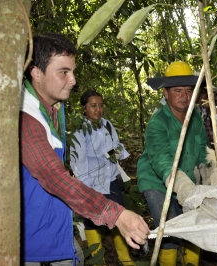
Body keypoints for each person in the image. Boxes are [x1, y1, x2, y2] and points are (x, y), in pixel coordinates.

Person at [20, 32, 149, 266]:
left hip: (58, 232)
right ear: (36, 73)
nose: (73, 80)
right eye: (63, 72)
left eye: (73, 71)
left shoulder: (54, 108)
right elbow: (52, 176)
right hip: (33, 245)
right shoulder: (25, 117)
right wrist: (116, 214)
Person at [137, 61, 209, 266]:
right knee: (169, 231)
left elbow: (203, 149)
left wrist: (208, 173)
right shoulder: (158, 123)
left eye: (188, 90)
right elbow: (162, 160)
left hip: (187, 180)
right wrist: (182, 185)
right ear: (166, 94)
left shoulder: (195, 115)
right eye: (178, 91)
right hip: (158, 182)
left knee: (193, 231)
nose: (184, 96)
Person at [70, 90, 135, 265]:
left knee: (118, 217)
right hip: (91, 185)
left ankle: (125, 259)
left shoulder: (107, 125)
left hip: (111, 180)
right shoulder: (79, 132)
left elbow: (118, 147)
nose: (98, 110)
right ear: (84, 108)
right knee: (93, 223)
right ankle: (99, 261)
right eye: (93, 106)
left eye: (100, 105)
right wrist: (86, 190)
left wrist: (113, 153)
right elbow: (79, 163)